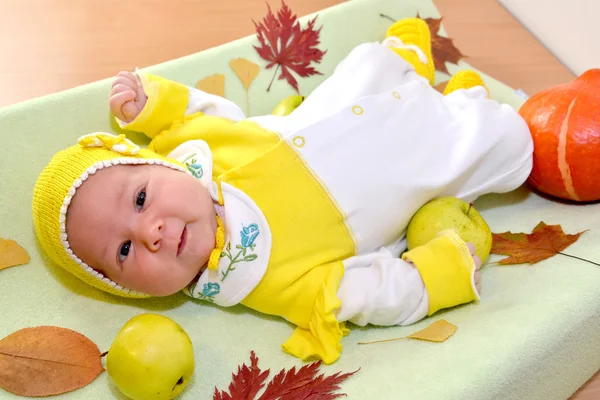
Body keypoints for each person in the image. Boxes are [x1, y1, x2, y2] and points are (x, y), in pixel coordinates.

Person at [32, 18, 533, 364]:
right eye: (123, 251)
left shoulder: (190, 155)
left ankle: (407, 60)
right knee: (505, 143)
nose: (152, 231)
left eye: (140, 199)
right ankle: (468, 98)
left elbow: (197, 114)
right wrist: (440, 271)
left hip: (331, 112)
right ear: (127, 290)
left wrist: (151, 104)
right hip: (403, 168)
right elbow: (363, 294)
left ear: (152, 164)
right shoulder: (260, 281)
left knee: (367, 66)